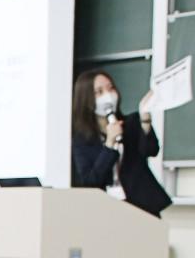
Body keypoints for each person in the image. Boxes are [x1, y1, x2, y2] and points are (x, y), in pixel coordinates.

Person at [70, 71, 170, 216]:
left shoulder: (132, 123)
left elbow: (151, 150)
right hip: (104, 210)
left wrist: (145, 120)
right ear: (86, 99)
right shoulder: (82, 140)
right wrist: (109, 144)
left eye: (111, 88)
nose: (108, 95)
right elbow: (90, 181)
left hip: (141, 206)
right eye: (99, 92)